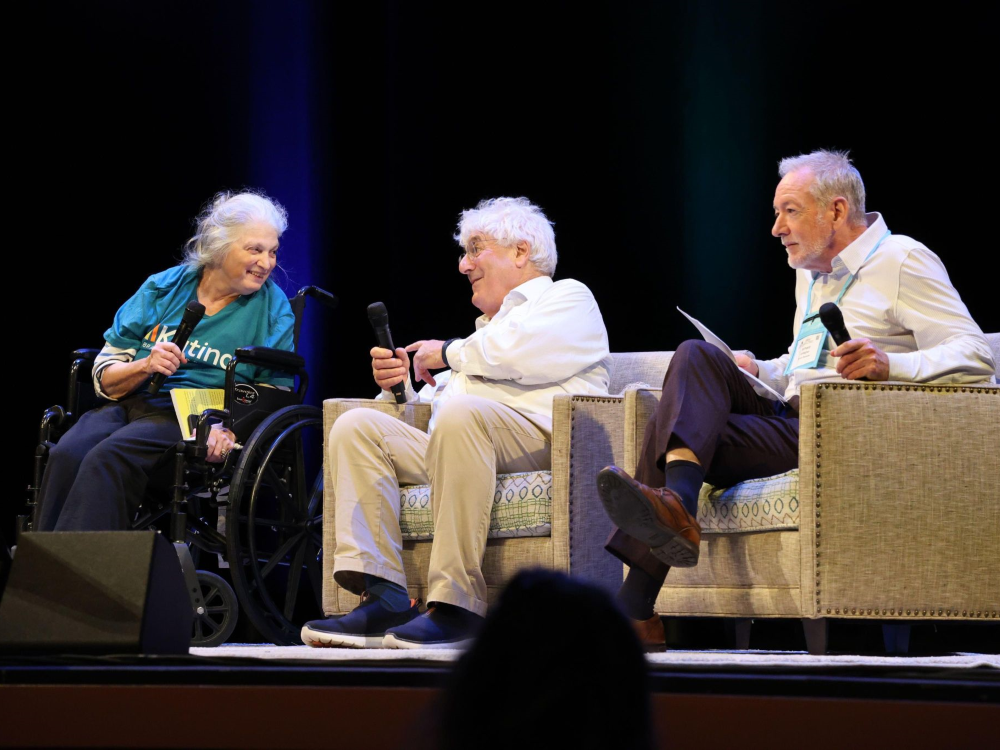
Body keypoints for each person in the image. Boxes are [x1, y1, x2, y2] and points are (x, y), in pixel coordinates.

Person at [596, 150, 996, 648]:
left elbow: (978, 355)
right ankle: (675, 508)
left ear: (835, 210)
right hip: (791, 416)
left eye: (789, 210)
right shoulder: (811, 272)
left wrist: (892, 364)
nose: (775, 228)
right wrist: (761, 368)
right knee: (697, 356)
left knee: (677, 435)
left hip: (847, 428)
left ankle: (638, 606)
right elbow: (804, 360)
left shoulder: (903, 259)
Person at [302, 196, 612, 649]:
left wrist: (447, 351)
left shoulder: (567, 298)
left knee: (464, 418)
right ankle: (385, 594)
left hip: (547, 441)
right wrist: (398, 389)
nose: (464, 264)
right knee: (358, 426)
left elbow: (517, 353)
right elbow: (432, 413)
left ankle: (456, 605)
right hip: (465, 444)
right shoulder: (483, 334)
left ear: (521, 252)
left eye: (475, 249)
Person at [36, 190, 296, 532]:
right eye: (255, 250)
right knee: (67, 453)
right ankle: (44, 569)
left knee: (109, 456)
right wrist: (145, 365)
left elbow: (273, 391)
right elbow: (106, 375)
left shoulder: (273, 310)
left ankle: (87, 576)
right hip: (134, 402)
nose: (267, 263)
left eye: (272, 251)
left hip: (196, 415)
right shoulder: (163, 287)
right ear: (219, 247)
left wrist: (229, 430)